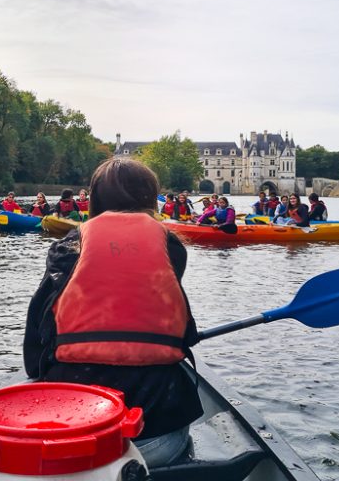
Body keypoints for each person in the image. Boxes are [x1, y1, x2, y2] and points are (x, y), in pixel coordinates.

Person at [23, 158, 202, 467]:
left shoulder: (68, 246)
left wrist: (36, 374)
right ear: (149, 197)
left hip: (77, 432)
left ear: (95, 199)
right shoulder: (172, 246)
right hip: (157, 433)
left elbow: (38, 323)